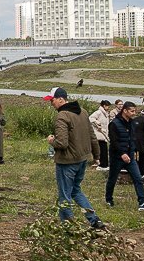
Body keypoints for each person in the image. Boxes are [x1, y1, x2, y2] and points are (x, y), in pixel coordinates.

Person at [44, 87, 106, 229]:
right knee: (76, 191)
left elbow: (62, 143)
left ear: (61, 99)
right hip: (82, 160)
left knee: (64, 195)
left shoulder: (62, 116)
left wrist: (51, 140)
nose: (51, 104)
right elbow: (92, 137)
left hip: (67, 162)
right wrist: (97, 156)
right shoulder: (83, 112)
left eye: (52, 100)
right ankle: (94, 220)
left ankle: (69, 227)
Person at [105, 102, 144, 211]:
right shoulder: (114, 124)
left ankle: (142, 202)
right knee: (112, 179)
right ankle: (109, 199)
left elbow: (133, 139)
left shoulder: (132, 123)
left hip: (130, 157)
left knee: (138, 178)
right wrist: (122, 153)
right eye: (132, 111)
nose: (134, 113)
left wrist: (132, 151)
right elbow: (113, 141)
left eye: (134, 111)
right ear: (125, 111)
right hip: (117, 157)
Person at [89, 100, 112, 171]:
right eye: (108, 106)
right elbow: (90, 118)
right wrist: (97, 123)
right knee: (102, 150)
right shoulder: (98, 112)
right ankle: (102, 165)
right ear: (104, 106)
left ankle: (104, 164)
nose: (108, 107)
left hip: (103, 134)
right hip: (99, 134)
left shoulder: (105, 113)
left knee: (104, 150)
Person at [132, 111, 144, 176]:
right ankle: (142, 173)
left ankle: (133, 172)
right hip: (141, 141)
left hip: (132, 140)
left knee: (133, 157)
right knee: (143, 157)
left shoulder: (134, 119)